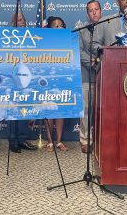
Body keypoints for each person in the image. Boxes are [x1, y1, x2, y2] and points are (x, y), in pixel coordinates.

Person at [9, 12, 37, 153]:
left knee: (24, 109)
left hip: (27, 78)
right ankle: (13, 141)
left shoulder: (29, 37)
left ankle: (22, 139)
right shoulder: (8, 38)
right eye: (19, 20)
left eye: (24, 19)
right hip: (13, 79)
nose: (23, 22)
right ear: (13, 22)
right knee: (14, 110)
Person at [79, 0, 102, 153]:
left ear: (101, 11)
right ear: (87, 13)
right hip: (88, 76)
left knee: (104, 110)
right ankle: (85, 140)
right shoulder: (82, 30)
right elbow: (80, 52)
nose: (94, 12)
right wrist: (94, 62)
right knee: (87, 110)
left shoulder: (109, 27)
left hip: (108, 77)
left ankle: (103, 140)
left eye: (96, 9)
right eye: (90, 10)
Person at [44, 16, 68, 152]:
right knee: (49, 110)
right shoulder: (45, 43)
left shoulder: (68, 42)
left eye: (61, 25)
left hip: (62, 80)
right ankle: (49, 142)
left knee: (61, 110)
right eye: (55, 26)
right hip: (48, 79)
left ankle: (59, 141)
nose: (59, 28)